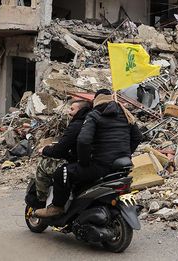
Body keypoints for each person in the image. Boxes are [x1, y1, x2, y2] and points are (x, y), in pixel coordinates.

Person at [34, 89, 142, 218]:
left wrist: (84, 162)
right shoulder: (125, 114)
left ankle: (56, 207)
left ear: (96, 100)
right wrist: (126, 153)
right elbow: (138, 137)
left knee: (61, 173)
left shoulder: (95, 114)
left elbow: (83, 141)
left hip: (101, 165)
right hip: (122, 165)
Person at [34, 100, 92, 205]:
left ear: (81, 110)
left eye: (72, 109)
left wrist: (44, 150)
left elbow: (59, 151)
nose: (69, 112)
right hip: (96, 163)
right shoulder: (93, 122)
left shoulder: (77, 125)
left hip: (78, 164)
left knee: (43, 164)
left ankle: (42, 201)